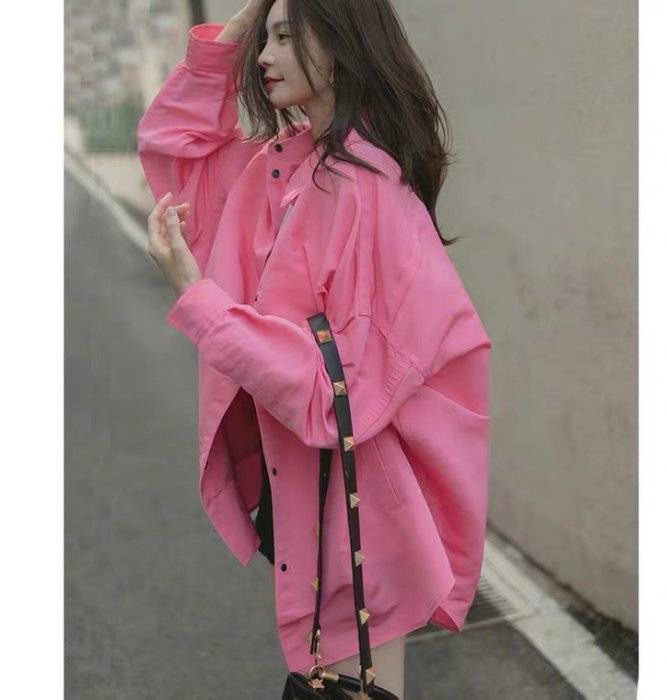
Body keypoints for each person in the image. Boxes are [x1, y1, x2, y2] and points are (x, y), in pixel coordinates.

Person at [138, 1, 492, 697]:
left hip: (360, 504)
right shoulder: (289, 166)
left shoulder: (367, 189)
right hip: (309, 484)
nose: (264, 56)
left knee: (350, 686)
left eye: (284, 38)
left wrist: (197, 297)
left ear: (339, 43)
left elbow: (337, 397)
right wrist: (247, 20)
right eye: (262, 39)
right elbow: (177, 148)